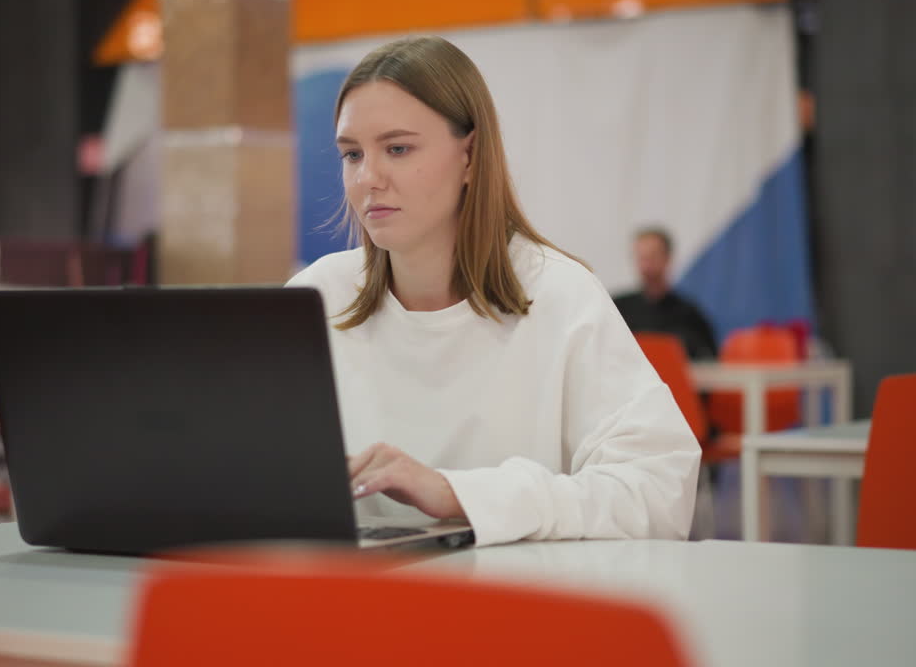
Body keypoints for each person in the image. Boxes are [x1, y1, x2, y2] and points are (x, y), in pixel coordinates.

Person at [287, 36, 700, 546]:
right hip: (347, 606)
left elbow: (659, 492)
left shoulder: (561, 295)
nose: (368, 178)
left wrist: (463, 496)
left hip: (515, 610)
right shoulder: (314, 299)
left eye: (397, 148)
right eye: (352, 154)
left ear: (470, 154)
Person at [612, 229, 719, 359]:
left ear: (667, 257)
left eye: (653, 256)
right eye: (641, 257)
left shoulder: (689, 315)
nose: (646, 265)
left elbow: (708, 361)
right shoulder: (617, 309)